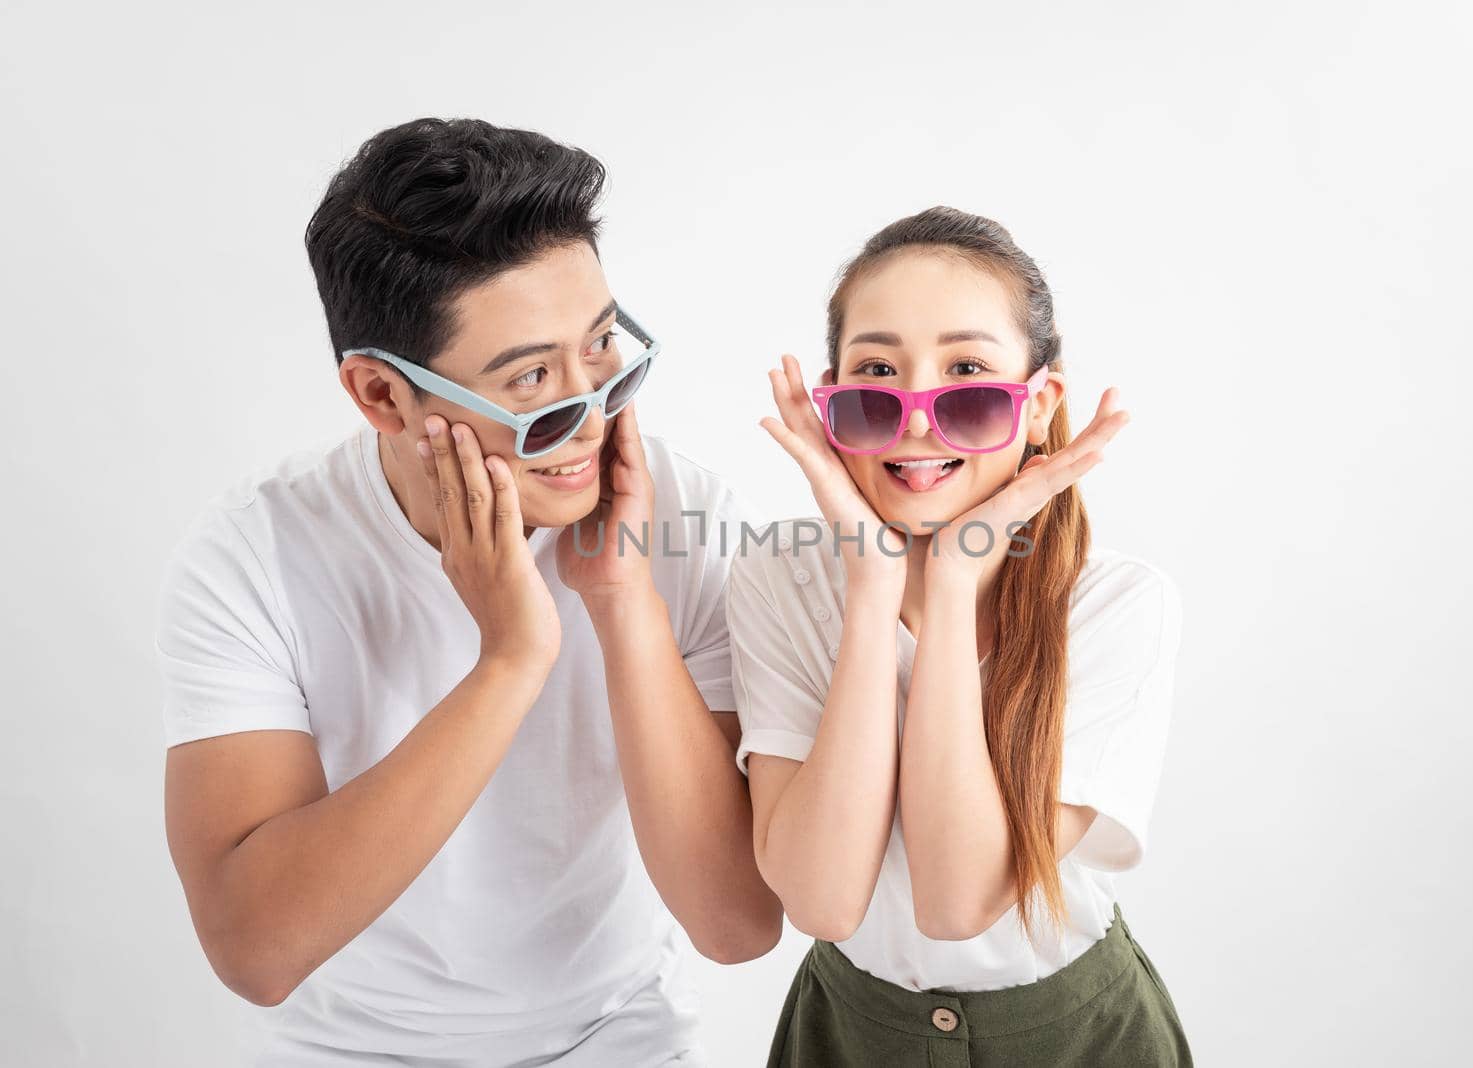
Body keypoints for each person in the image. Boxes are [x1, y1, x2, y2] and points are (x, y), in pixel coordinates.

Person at [156, 117, 781, 1067]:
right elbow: (255, 952)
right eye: (533, 380)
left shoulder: (683, 513)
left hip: (622, 1035)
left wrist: (622, 602)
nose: (592, 419)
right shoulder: (255, 553)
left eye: (604, 348)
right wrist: (511, 660)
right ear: (380, 396)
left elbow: (735, 927)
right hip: (350, 1050)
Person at [728, 206, 1193, 1065]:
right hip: (847, 1033)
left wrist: (947, 584)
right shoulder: (778, 580)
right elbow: (823, 902)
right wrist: (871, 589)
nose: (917, 417)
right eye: (877, 371)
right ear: (830, 399)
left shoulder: (1116, 603)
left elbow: (957, 898)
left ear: (1039, 399)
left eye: (968, 370)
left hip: (1077, 1037)